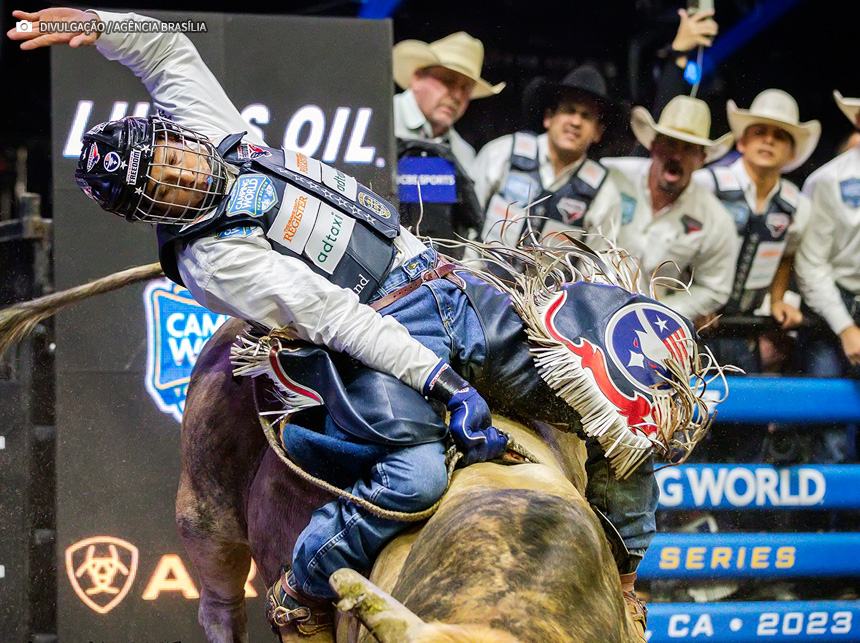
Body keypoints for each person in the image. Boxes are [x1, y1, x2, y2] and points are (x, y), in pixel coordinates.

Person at [9, 9, 707, 639]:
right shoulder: (209, 257)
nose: (178, 172)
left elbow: (165, 49)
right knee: (414, 474)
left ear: (173, 135)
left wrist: (99, 23)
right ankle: (305, 584)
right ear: (152, 209)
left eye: (168, 155)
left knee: (622, 399)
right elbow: (333, 316)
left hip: (447, 283)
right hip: (379, 333)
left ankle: (620, 575)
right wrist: (438, 378)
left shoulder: (225, 136)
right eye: (159, 183)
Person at [692, 89, 819, 371]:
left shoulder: (797, 205)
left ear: (791, 153)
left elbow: (788, 253)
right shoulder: (706, 185)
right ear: (742, 142)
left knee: (746, 409)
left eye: (780, 135)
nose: (769, 139)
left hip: (744, 328)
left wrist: (777, 299)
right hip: (693, 322)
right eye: (760, 131)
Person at [603, 95, 738, 323]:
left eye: (689, 149)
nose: (676, 156)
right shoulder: (611, 177)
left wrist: (662, 312)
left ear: (702, 158)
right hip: (586, 307)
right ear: (653, 145)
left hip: (649, 328)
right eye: (670, 143)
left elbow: (716, 288)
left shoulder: (715, 219)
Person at [470, 64, 622, 253]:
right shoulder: (501, 153)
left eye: (586, 116)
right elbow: (467, 225)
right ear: (549, 118)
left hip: (553, 283)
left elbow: (594, 270)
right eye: (569, 110)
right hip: (479, 278)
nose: (575, 122)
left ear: (598, 132)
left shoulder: (605, 193)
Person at [392, 32, 503, 249]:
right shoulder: (377, 118)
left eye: (466, 88)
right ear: (417, 78)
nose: (456, 95)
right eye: (447, 80)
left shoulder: (463, 155)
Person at [796, 90, 860, 379]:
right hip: (834, 308)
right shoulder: (828, 181)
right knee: (825, 418)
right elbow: (811, 263)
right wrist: (845, 326)